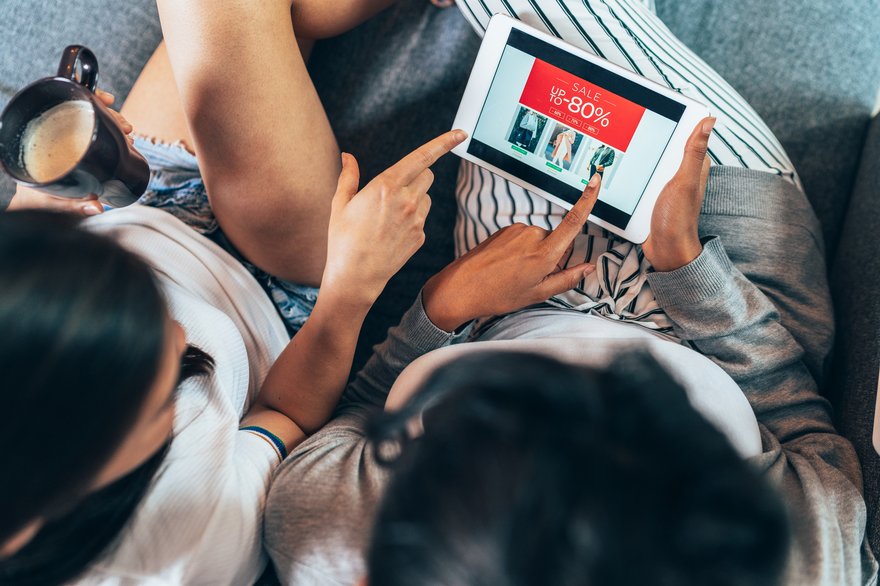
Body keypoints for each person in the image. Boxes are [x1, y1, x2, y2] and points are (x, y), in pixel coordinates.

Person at [263, 1, 877, 584]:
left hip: (502, 287)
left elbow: (357, 416)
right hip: (721, 270)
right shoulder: (795, 567)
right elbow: (802, 432)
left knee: (525, 32)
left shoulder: (326, 539)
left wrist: (446, 304)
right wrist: (688, 268)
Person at [0, 0, 469, 583]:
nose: (178, 331)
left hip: (138, 199)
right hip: (267, 284)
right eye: (160, 397)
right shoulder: (190, 547)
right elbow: (285, 411)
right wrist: (352, 287)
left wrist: (47, 192)